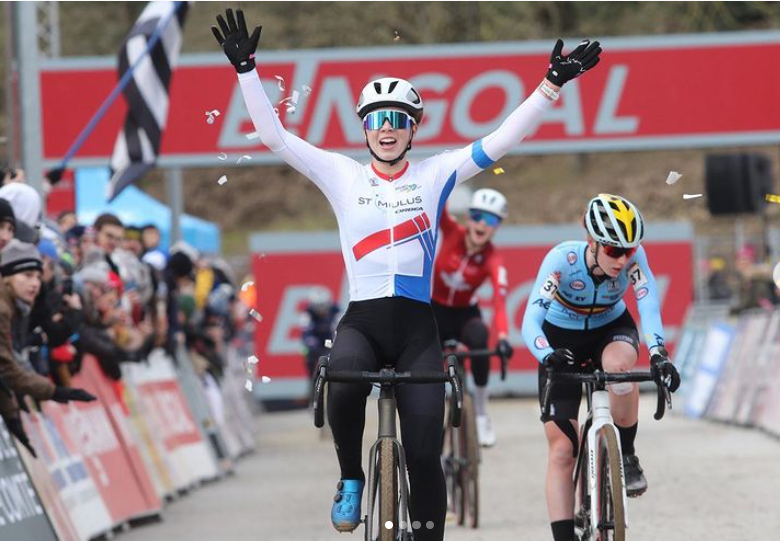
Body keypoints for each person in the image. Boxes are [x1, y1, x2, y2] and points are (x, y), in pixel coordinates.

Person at [212, 8, 600, 538]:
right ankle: (350, 476)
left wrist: (551, 84)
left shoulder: (436, 172)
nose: (387, 129)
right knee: (344, 382)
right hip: (364, 322)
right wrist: (247, 72)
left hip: (418, 328)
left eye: (398, 119)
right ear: (365, 128)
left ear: (414, 127)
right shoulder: (341, 175)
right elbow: (275, 137)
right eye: (377, 119)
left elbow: (502, 140)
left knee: (424, 455)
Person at [521, 194, 680, 541]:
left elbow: (648, 305)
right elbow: (531, 319)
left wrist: (658, 354)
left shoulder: (634, 258)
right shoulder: (561, 260)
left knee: (620, 367)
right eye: (612, 250)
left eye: (628, 250)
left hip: (611, 328)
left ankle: (627, 452)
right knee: (563, 449)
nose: (622, 260)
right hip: (559, 340)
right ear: (590, 240)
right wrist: (546, 353)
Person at [431, 188, 513, 447]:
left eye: (490, 220)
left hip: (466, 314)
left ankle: (480, 413)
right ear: (468, 217)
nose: (481, 224)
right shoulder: (452, 231)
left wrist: (502, 338)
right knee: (424, 357)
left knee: (480, 337)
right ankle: (429, 421)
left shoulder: (493, 258)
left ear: (497, 227)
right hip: (436, 309)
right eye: (477, 216)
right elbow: (440, 205)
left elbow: (500, 302)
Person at [300, 286, 340, 402]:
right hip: (314, 342)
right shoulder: (307, 314)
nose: (322, 311)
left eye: (324, 306)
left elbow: (337, 329)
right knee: (310, 361)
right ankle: (313, 394)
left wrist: (335, 343)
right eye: (318, 307)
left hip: (328, 341)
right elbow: (306, 333)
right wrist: (311, 344)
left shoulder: (335, 310)